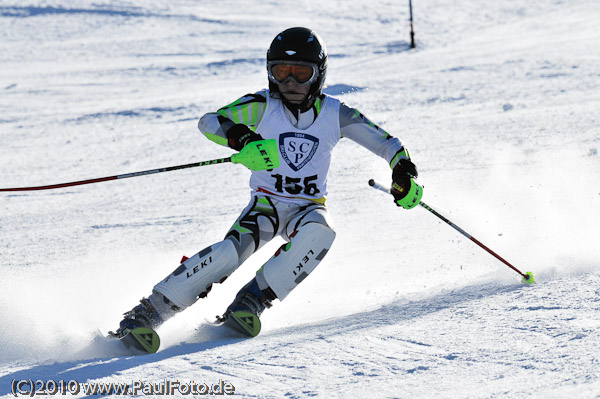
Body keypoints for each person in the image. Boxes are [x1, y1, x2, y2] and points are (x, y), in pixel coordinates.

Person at [112, 27, 423, 338]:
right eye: (280, 72)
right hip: (266, 205)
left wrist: (402, 172)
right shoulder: (263, 105)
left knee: (320, 234)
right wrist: (241, 138)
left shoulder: (335, 113)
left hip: (308, 207)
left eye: (301, 73)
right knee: (226, 256)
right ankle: (147, 314)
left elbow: (388, 144)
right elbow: (209, 121)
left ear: (319, 75)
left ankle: (251, 301)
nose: (289, 83)